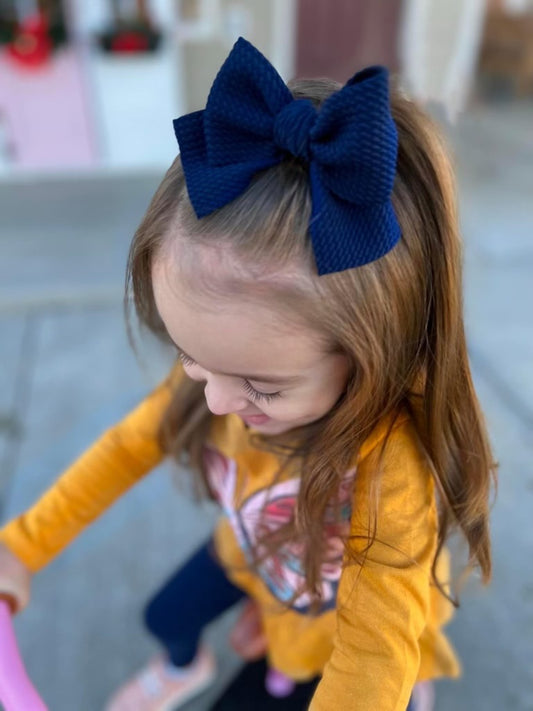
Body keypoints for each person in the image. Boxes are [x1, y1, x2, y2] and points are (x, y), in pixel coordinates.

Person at [0, 37, 495, 711]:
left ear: (372, 358)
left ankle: (416, 681)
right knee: (163, 617)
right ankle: (186, 660)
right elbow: (123, 449)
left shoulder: (390, 475)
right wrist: (20, 546)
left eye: (261, 386)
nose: (217, 399)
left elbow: (372, 648)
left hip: (326, 618)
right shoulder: (223, 377)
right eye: (189, 354)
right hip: (257, 556)